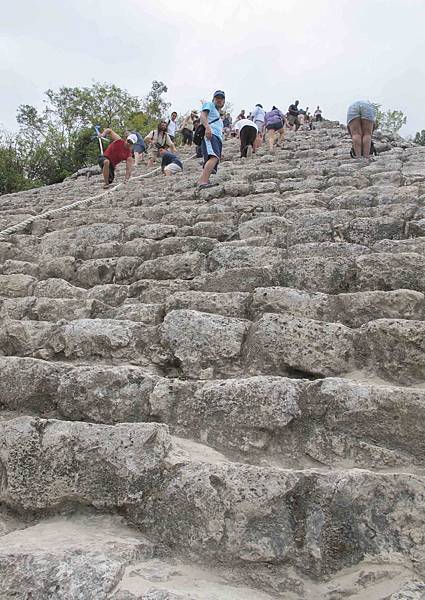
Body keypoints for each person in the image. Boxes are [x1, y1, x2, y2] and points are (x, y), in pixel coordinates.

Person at [198, 90, 225, 190]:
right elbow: (203, 115)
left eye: (221, 99)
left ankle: (203, 180)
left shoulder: (218, 114)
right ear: (213, 99)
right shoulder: (209, 105)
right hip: (211, 135)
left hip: (216, 137)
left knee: (213, 157)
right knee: (213, 158)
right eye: (217, 98)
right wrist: (207, 128)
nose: (219, 100)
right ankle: (203, 182)